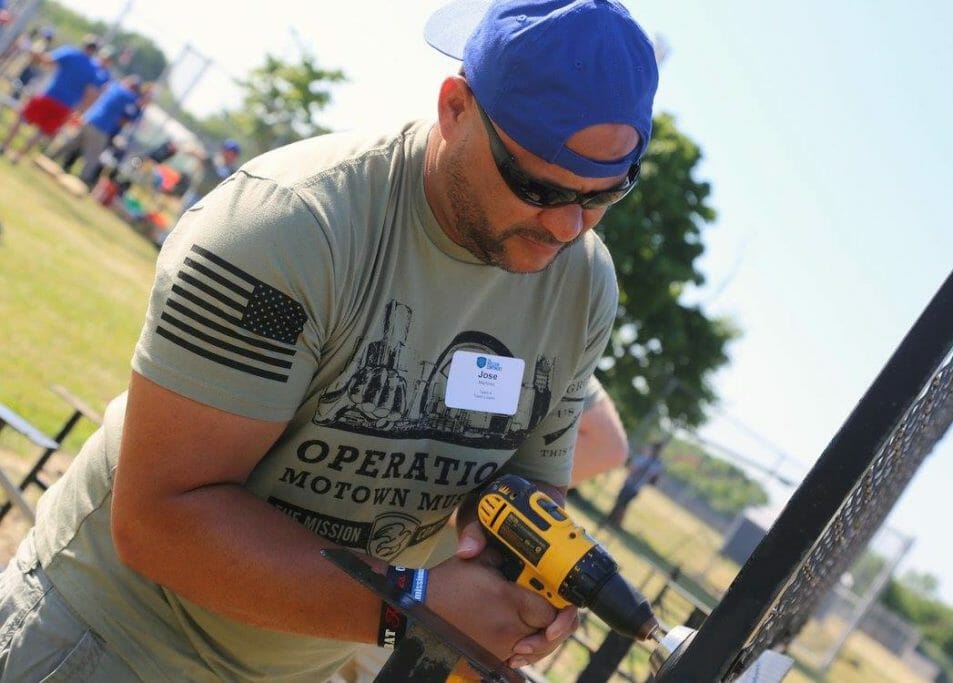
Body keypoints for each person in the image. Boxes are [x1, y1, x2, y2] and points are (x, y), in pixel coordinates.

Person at [0, 1, 658, 681]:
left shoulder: (583, 286)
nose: (567, 226)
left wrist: (516, 595)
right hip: (113, 643)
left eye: (608, 193)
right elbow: (160, 518)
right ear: (456, 108)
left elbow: (526, 497)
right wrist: (415, 603)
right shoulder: (293, 228)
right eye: (536, 185)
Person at [0, 34, 107, 161]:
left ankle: (4, 145)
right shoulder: (94, 69)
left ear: (84, 44)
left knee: (22, 117)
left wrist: (35, 48)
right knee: (41, 132)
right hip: (66, 105)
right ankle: (18, 156)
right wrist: (80, 109)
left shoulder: (70, 53)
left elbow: (46, 61)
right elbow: (90, 94)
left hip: (49, 95)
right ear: (96, 50)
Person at [47, 74, 147, 186]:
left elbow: (105, 87)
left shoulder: (114, 86)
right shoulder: (128, 95)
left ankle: (49, 156)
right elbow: (137, 105)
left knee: (70, 143)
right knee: (93, 158)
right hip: (101, 127)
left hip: (89, 118)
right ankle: (82, 181)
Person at [177, 137, 242, 215]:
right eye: (228, 151)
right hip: (195, 195)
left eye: (233, 153)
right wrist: (184, 149)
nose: (229, 155)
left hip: (209, 204)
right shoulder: (213, 161)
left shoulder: (233, 173)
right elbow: (198, 154)